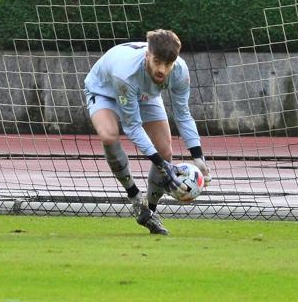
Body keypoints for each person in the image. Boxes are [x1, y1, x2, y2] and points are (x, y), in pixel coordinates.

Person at [83, 29, 211, 235]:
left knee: (165, 150)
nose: (162, 69)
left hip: (144, 94)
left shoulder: (180, 71)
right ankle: (134, 197)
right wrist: (162, 166)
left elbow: (183, 114)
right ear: (147, 56)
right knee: (108, 135)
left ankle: (149, 211)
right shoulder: (126, 72)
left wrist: (198, 157)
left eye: (167, 64)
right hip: (105, 91)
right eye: (157, 62)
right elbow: (132, 126)